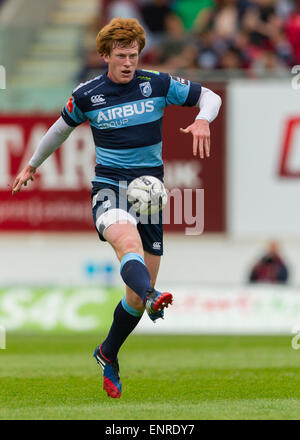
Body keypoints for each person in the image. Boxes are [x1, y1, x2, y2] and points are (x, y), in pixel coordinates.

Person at [12, 17, 222, 399]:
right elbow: (60, 129)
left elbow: (211, 97)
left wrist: (203, 120)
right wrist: (32, 165)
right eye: (122, 55)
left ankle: (108, 352)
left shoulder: (156, 83)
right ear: (105, 55)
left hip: (151, 194)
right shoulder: (89, 95)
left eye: (134, 55)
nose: (129, 62)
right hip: (110, 187)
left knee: (135, 298)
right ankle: (155, 294)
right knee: (128, 245)